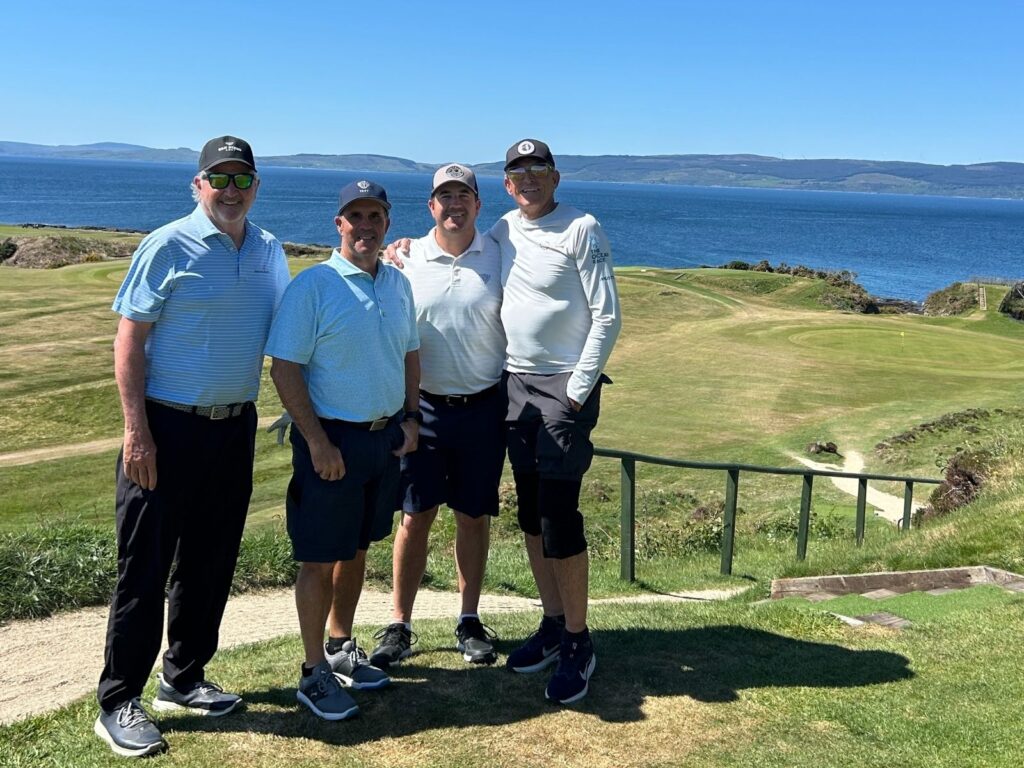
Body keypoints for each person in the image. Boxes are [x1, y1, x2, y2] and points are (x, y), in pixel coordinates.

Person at [96, 136, 290, 757]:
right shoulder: (166, 244)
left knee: (211, 560)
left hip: (233, 427)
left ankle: (182, 677)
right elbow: (129, 341)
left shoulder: (269, 250)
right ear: (198, 185)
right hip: (165, 427)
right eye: (219, 178)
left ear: (255, 187)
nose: (231, 190)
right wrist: (136, 431)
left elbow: (292, 323)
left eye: (242, 179)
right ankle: (118, 699)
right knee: (145, 566)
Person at [266, 179, 421, 721]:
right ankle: (313, 673)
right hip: (331, 439)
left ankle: (339, 647)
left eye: (375, 216)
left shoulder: (397, 284)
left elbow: (409, 354)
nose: (365, 226)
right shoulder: (314, 286)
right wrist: (316, 441)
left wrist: (410, 419)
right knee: (318, 558)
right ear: (339, 224)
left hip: (383, 438)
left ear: (387, 223)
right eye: (355, 216)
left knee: (356, 551)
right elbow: (284, 368)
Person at [493, 139, 621, 704]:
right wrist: (405, 249)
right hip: (514, 385)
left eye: (538, 169)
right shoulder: (503, 228)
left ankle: (577, 639)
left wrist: (575, 391)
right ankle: (551, 622)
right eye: (518, 172)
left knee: (558, 517)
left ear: (555, 177)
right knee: (529, 514)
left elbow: (607, 316)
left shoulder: (581, 228)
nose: (529, 179)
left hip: (562, 388)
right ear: (507, 183)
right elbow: (456, 245)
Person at [367, 164, 507, 670]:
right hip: (422, 408)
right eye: (445, 196)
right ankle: (400, 624)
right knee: (415, 516)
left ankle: (469, 619)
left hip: (484, 407)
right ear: (431, 206)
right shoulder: (406, 257)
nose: (454, 204)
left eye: (463, 195)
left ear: (478, 204)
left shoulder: (499, 252)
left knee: (473, 516)